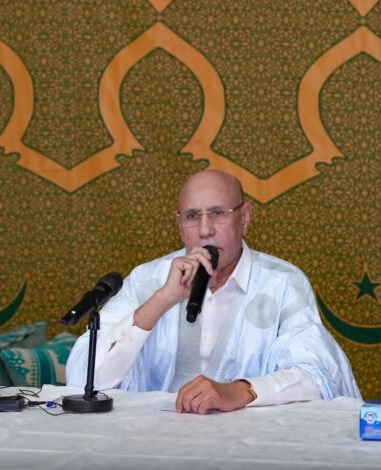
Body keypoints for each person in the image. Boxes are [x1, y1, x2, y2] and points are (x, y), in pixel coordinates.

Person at [66, 170, 360, 414]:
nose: (205, 230)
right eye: (193, 216)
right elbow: (85, 380)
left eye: (218, 213)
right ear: (179, 225)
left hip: (251, 444)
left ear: (245, 218)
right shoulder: (147, 280)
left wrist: (239, 391)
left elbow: (317, 375)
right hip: (156, 441)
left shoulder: (282, 282)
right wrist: (163, 300)